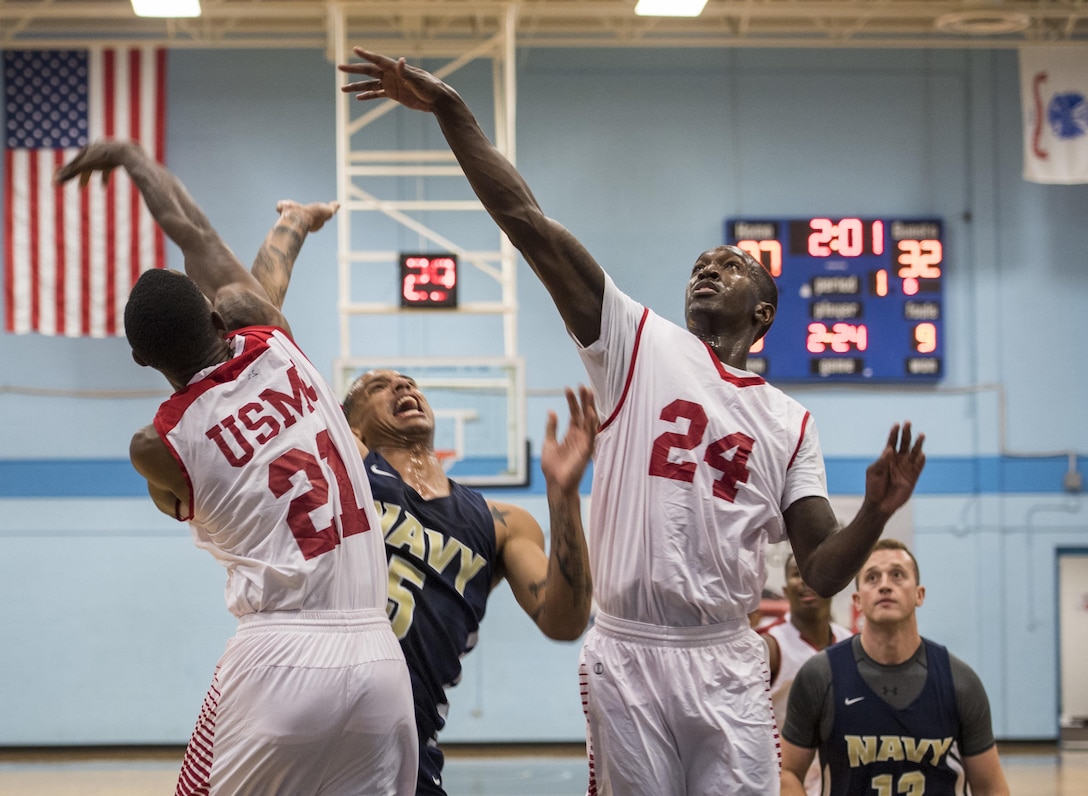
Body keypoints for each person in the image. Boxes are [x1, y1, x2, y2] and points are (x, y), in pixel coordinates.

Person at [337, 49, 928, 795]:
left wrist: (875, 510)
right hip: (631, 649)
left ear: (764, 312)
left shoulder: (789, 421)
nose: (706, 269)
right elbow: (529, 225)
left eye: (729, 266)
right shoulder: (635, 341)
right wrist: (454, 113)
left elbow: (819, 569)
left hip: (725, 655)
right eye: (699, 265)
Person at [54, 141, 418, 795]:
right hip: (380, 658)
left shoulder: (156, 445)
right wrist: (133, 159)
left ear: (141, 361)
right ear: (218, 315)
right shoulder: (273, 337)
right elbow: (200, 238)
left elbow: (178, 492)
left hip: (281, 660)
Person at [245, 214, 598, 795]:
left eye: (409, 380)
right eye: (379, 385)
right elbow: (257, 337)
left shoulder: (501, 522)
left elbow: (565, 621)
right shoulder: (346, 463)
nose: (403, 386)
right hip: (300, 725)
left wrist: (564, 500)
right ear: (349, 418)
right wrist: (291, 228)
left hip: (403, 746)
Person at [780, 539, 1010, 795]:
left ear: (919, 594)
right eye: (872, 578)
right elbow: (787, 773)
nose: (885, 585)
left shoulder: (960, 681)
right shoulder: (820, 676)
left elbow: (990, 786)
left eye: (897, 575)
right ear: (858, 600)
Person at [761, 553, 853, 796]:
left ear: (831, 585)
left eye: (814, 573)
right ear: (785, 589)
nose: (805, 580)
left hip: (839, 782)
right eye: (796, 574)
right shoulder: (769, 645)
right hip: (784, 782)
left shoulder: (851, 644)